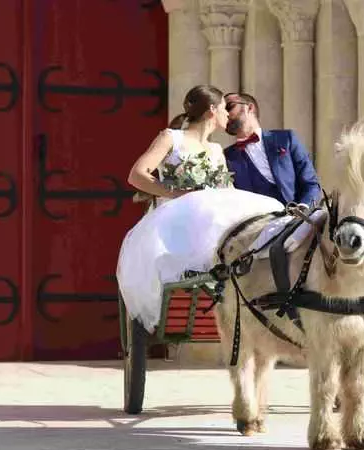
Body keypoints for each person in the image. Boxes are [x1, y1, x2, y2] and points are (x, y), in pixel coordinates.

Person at [117, 85, 286, 333]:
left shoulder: (217, 149)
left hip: (211, 211)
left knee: (267, 210)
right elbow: (137, 175)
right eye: (223, 109)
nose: (227, 115)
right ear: (211, 110)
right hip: (178, 213)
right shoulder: (171, 137)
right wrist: (177, 194)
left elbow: (225, 188)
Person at [224, 92, 322, 209]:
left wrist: (303, 208)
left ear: (250, 108)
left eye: (229, 107)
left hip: (297, 218)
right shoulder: (226, 157)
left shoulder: (286, 139)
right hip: (257, 223)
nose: (225, 113)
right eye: (222, 110)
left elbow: (310, 183)